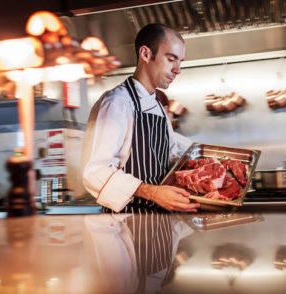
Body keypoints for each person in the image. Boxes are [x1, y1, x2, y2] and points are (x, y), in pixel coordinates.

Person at [82, 23, 200, 214]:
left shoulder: (159, 108)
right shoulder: (116, 103)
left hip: (161, 227)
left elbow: (169, 160)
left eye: (180, 62)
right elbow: (96, 172)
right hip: (126, 227)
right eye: (171, 59)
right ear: (145, 54)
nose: (177, 69)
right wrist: (152, 193)